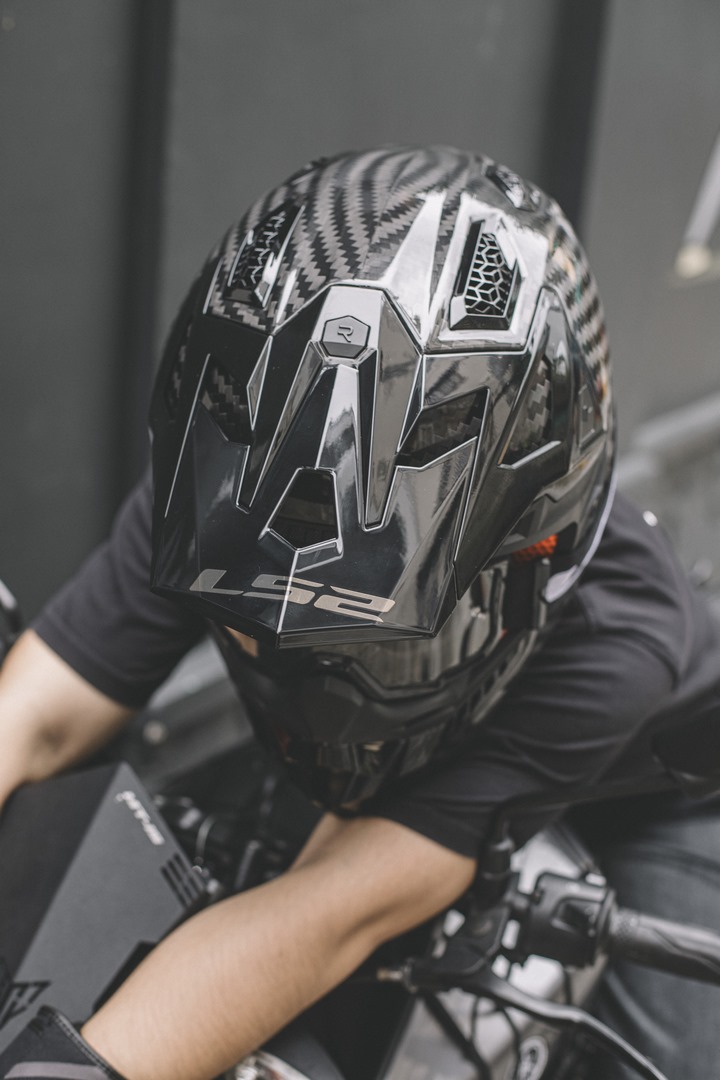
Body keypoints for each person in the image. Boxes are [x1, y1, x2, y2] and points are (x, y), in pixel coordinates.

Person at [1, 145, 720, 1080]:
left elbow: (330, 913)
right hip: (396, 760)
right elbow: (36, 715)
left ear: (524, 563)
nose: (268, 644)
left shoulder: (620, 636)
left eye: (357, 631)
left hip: (662, 794)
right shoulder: (229, 480)